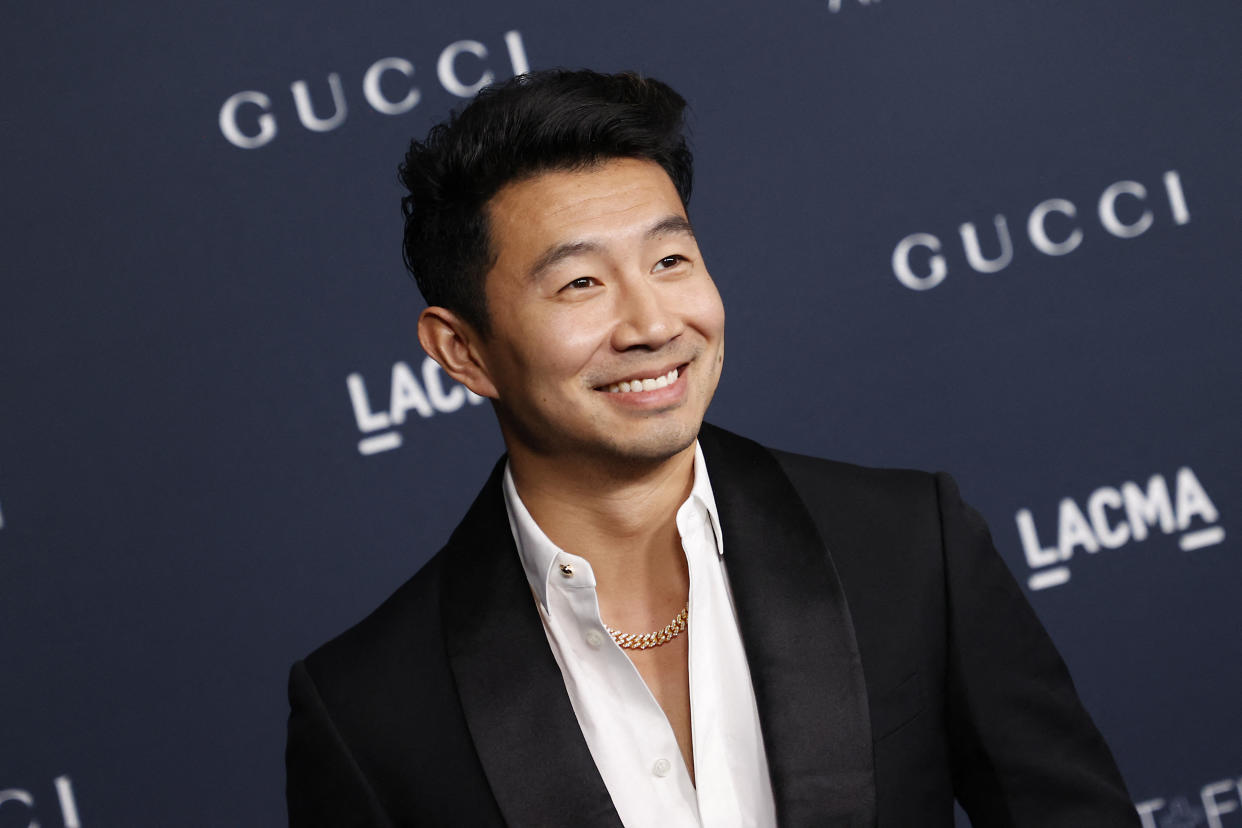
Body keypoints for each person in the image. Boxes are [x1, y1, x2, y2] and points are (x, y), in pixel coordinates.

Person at [285, 69, 1139, 827]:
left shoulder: (910, 548)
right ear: (462, 351)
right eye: (581, 282)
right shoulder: (370, 708)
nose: (653, 324)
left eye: (670, 259)